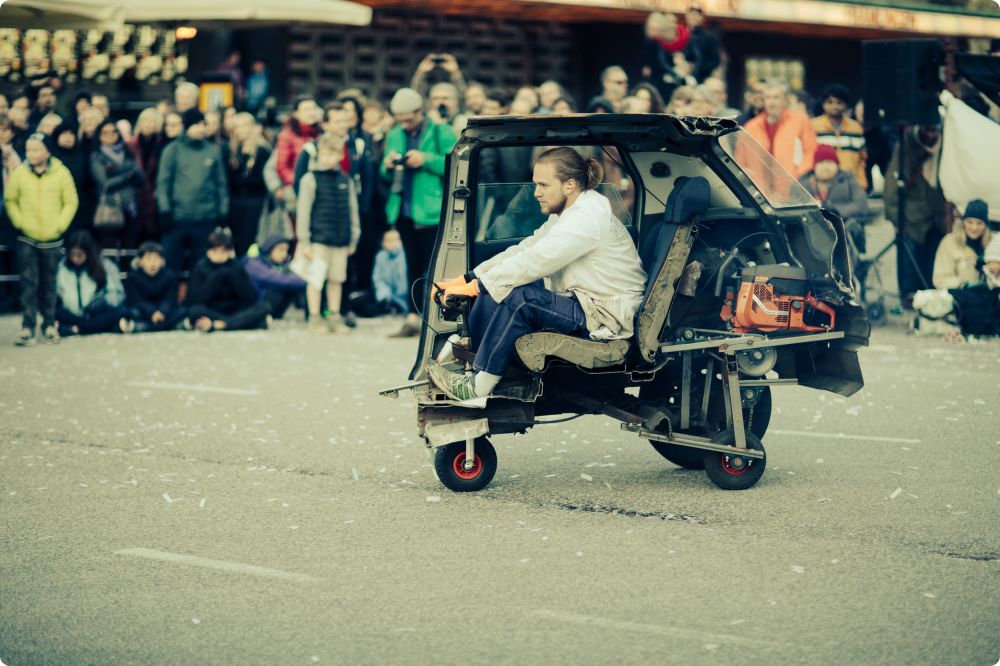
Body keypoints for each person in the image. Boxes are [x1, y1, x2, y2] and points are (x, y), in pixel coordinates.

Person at [427, 147, 647, 402]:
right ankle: (478, 357)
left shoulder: (585, 219)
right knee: (501, 287)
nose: (536, 193)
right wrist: (469, 277)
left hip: (605, 317)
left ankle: (477, 388)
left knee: (519, 297)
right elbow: (528, 247)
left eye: (543, 185)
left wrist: (478, 286)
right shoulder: (571, 212)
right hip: (585, 303)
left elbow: (536, 261)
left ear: (569, 185)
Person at [380, 87, 458, 337]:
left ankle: (435, 319)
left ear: (420, 111)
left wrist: (424, 159)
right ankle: (412, 318)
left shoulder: (440, 131)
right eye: (400, 120)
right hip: (403, 208)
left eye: (408, 119)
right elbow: (384, 171)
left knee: (434, 267)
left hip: (431, 210)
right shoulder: (394, 134)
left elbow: (455, 164)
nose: (405, 124)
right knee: (412, 264)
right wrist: (389, 163)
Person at [5, 133, 78, 345]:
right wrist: (20, 222)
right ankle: (28, 326)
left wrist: (60, 225)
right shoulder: (20, 173)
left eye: (36, 149)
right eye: (28, 150)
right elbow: (11, 199)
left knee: (49, 283)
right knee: (29, 283)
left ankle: (49, 324)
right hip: (28, 237)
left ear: (47, 151)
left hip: (52, 237)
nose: (32, 154)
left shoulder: (61, 173)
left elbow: (70, 201)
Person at [296, 133, 361, 335]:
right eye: (325, 153)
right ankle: (314, 318)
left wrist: (353, 237)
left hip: (340, 240)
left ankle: (334, 315)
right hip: (318, 240)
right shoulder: (309, 179)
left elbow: (353, 211)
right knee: (316, 280)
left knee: (336, 279)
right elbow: (303, 211)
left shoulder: (345, 180)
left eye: (334, 153)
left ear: (340, 155)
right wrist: (304, 241)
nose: (329, 157)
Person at [156, 109, 229, 275]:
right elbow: (163, 183)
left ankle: (197, 299)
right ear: (187, 126)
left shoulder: (213, 151)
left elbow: (221, 184)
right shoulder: (172, 150)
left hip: (205, 218)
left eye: (203, 124)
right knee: (171, 265)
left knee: (201, 266)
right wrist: (164, 210)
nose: (201, 128)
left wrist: (223, 212)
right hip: (177, 218)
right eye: (197, 124)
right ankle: (171, 300)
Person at [884, 125, 946, 308]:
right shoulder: (905, 149)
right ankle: (909, 295)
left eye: (934, 131)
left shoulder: (945, 147)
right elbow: (891, 189)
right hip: (911, 217)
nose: (931, 134)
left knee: (934, 257)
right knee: (909, 258)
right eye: (928, 130)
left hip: (937, 216)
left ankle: (929, 293)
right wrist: (897, 219)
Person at [186, 227, 270, 332]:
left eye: (223, 251)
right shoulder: (200, 267)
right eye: (215, 251)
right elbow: (198, 300)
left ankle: (221, 325)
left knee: (263, 307)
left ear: (229, 252)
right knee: (194, 311)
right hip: (213, 310)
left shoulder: (235, 265)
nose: (219, 255)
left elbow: (251, 297)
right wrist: (219, 275)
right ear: (208, 251)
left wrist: (230, 274)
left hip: (235, 309)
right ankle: (237, 323)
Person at [55, 230, 127, 336]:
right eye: (73, 254)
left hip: (95, 313)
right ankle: (85, 328)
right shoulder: (62, 268)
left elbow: (116, 294)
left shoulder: (104, 266)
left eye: (79, 255)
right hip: (72, 313)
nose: (75, 259)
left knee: (120, 311)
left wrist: (102, 301)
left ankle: (76, 329)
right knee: (56, 313)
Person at [744, 80, 818, 178]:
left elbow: (811, 151)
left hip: (793, 184)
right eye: (768, 98)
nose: (771, 102)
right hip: (759, 186)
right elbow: (742, 159)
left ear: (785, 100)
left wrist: (798, 176)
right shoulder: (751, 126)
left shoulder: (801, 121)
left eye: (776, 97)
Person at [90, 119, 144, 249]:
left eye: (113, 132)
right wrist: (127, 175)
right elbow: (105, 184)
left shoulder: (127, 152)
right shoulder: (97, 156)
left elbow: (141, 178)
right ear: (99, 136)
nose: (110, 136)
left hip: (131, 207)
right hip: (110, 208)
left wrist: (119, 173)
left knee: (129, 249)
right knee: (109, 250)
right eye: (105, 133)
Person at [227, 112, 271, 256]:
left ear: (252, 127)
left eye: (244, 126)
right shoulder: (233, 151)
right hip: (235, 203)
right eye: (237, 127)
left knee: (248, 241)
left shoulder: (262, 151)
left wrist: (240, 181)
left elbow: (261, 180)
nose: (240, 130)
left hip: (254, 203)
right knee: (235, 241)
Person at [811, 84, 867, 191]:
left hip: (851, 185)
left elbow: (862, 160)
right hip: (822, 186)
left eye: (839, 102)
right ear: (823, 104)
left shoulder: (856, 128)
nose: (835, 106)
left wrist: (862, 183)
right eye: (830, 102)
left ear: (846, 105)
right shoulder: (813, 126)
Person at [122, 241, 186, 332]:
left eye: (156, 259)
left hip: (163, 311)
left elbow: (170, 298)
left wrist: (162, 311)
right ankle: (169, 326)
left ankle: (143, 327)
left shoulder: (169, 276)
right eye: (148, 258)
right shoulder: (133, 277)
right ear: (140, 261)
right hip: (144, 311)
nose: (152, 263)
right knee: (131, 312)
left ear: (162, 261)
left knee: (182, 311)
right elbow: (136, 300)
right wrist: (151, 312)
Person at [242, 233, 306, 320]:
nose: (284, 254)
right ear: (269, 249)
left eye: (286, 251)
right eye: (280, 250)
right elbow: (278, 279)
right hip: (256, 308)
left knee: (296, 283)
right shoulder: (254, 263)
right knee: (288, 283)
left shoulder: (279, 264)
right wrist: (309, 282)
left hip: (271, 307)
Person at [932, 200, 990, 290]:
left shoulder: (991, 245)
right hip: (958, 297)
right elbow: (940, 279)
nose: (974, 228)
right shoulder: (949, 242)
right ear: (963, 223)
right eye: (970, 222)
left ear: (985, 226)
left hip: (985, 298)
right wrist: (964, 285)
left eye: (979, 223)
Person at [126, 108, 164, 243]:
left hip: (155, 198)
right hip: (135, 199)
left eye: (152, 121)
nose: (148, 124)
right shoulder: (130, 145)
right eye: (145, 120)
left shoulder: (162, 146)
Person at [275, 95, 321, 199]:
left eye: (314, 108)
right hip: (297, 189)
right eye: (306, 109)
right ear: (296, 114)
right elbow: (282, 167)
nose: (311, 112)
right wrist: (299, 182)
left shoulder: (321, 132)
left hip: (320, 188)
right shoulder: (287, 135)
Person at [50, 122, 90, 234]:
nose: (68, 137)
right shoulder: (50, 158)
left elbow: (88, 184)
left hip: (80, 210)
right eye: (64, 134)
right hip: (54, 209)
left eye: (71, 134)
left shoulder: (82, 156)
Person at [371, 228, 409, 315]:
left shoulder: (407, 254)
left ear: (400, 241)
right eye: (387, 240)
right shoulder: (380, 256)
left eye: (393, 240)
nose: (390, 243)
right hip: (389, 297)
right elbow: (378, 280)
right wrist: (384, 297)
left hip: (406, 297)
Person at [683, 4, 721, 84]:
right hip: (679, 75)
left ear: (702, 18)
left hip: (700, 79)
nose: (694, 17)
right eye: (692, 14)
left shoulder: (709, 37)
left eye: (697, 15)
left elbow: (715, 61)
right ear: (686, 15)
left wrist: (697, 67)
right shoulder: (679, 33)